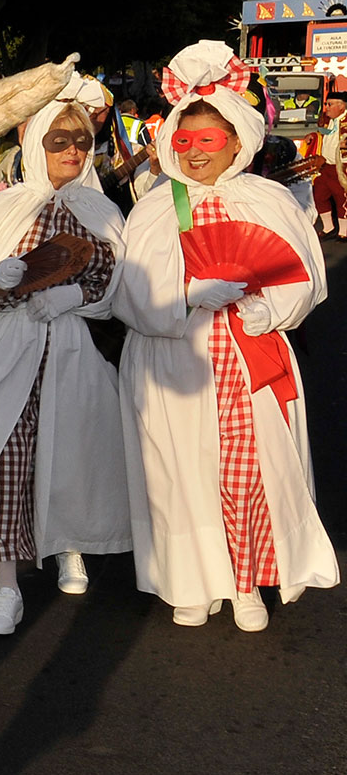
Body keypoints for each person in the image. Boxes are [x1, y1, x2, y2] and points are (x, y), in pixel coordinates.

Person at [113, 40, 337, 631]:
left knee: (246, 471)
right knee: (178, 472)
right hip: (170, 362)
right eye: (183, 142)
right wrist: (183, 294)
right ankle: (191, 579)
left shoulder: (267, 198)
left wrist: (270, 309)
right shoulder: (154, 208)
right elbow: (129, 290)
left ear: (237, 141)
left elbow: (306, 275)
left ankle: (244, 584)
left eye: (208, 141)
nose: (194, 154)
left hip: (246, 358)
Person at [0, 79, 131, 635]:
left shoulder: (100, 207)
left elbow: (120, 284)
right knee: (8, 461)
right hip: (11, 347)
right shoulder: (6, 208)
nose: (73, 151)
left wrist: (73, 297)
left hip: (73, 348)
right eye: (59, 141)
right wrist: (7, 281)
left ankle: (70, 545)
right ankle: (7, 587)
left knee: (74, 452)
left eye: (82, 141)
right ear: (36, 144)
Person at [313, 87, 345, 235]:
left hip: (340, 168)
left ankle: (344, 232)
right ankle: (328, 227)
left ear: (341, 106)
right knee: (319, 196)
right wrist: (312, 135)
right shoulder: (328, 121)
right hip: (324, 166)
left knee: (342, 199)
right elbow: (325, 133)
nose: (326, 108)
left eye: (330, 104)